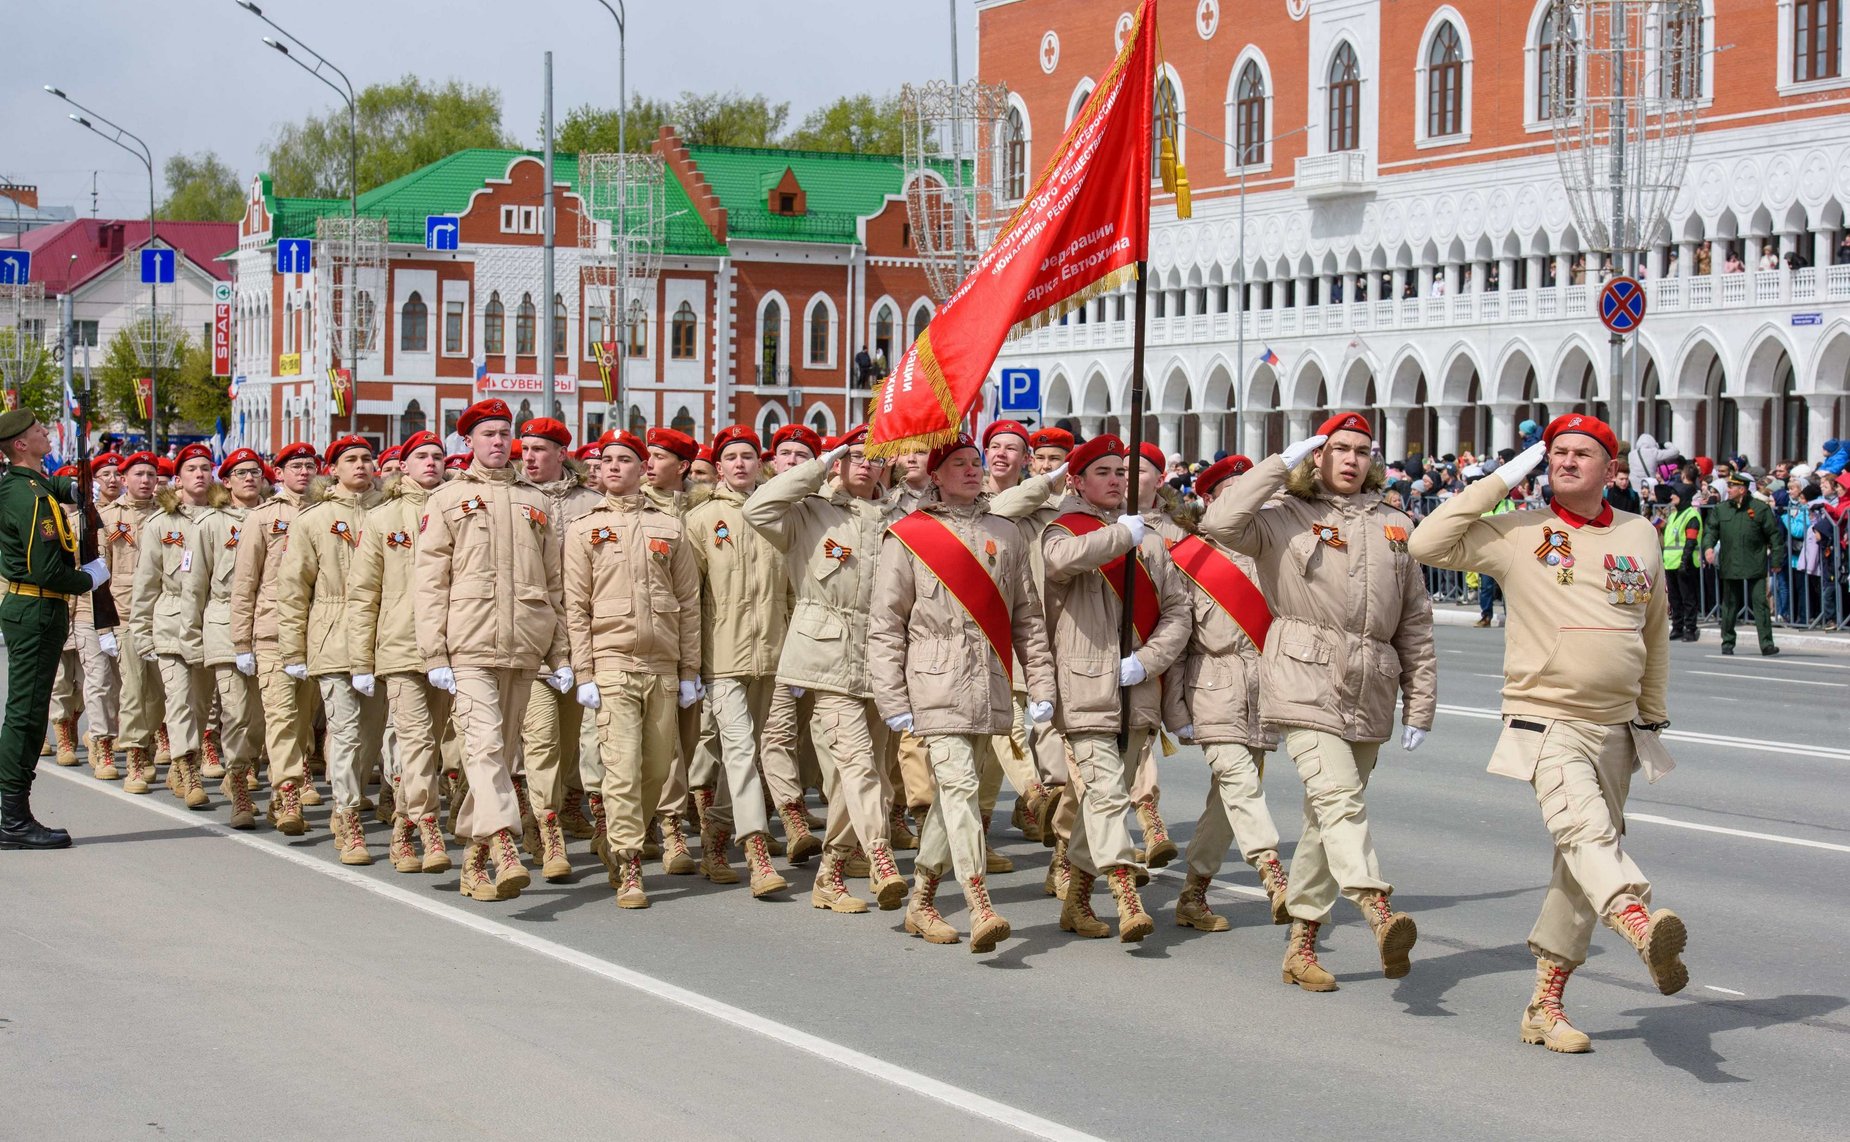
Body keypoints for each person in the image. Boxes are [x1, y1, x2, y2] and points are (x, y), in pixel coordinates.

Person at [1408, 415, 1685, 1053]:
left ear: (1611, 469)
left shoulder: (1638, 532)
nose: (1566, 461)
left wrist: (1650, 714)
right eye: (1556, 452)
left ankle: (1545, 1005)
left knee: (1578, 866)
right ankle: (1638, 919)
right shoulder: (1517, 531)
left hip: (1616, 725)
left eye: (1582, 453)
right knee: (1586, 834)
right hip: (1547, 719)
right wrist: (1502, 478)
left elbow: (1653, 630)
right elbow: (1426, 541)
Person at [1202, 412, 1437, 991]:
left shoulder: (1395, 524)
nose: (1352, 459)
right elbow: (1219, 521)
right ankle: (1376, 907)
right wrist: (1279, 464)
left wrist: (1420, 702)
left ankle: (1301, 945)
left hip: (1371, 684)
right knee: (1338, 799)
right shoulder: (1283, 515)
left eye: (1362, 450)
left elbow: (1415, 622)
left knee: (1322, 820)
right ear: (1317, 457)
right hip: (1303, 677)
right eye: (1339, 449)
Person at [869, 433, 1056, 952]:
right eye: (959, 463)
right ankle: (978, 903)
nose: (973, 470)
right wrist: (892, 699)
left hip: (989, 679)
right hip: (934, 680)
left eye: (976, 462)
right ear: (935, 474)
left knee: (960, 794)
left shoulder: (1006, 532)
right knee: (958, 789)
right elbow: (886, 625)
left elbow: (1027, 618)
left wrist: (1041, 682)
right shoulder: (908, 536)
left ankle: (922, 901)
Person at [743, 426, 908, 914]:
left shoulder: (900, 516)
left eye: (875, 457)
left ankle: (830, 874)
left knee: (869, 774)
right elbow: (757, 508)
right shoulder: (810, 511)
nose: (865, 464)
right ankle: (880, 856)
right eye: (854, 455)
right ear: (838, 461)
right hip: (826, 657)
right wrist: (819, 465)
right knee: (857, 765)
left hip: (882, 659)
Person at [416, 399, 572, 902]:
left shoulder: (535, 500)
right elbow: (430, 582)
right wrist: (434, 654)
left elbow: (554, 581)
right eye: (489, 434)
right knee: (483, 749)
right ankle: (505, 844)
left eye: (506, 433)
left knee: (499, 758)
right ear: (469, 442)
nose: (500, 442)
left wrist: (561, 654)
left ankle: (474, 864)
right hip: (468, 643)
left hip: (525, 642)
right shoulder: (446, 499)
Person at [1042, 434, 1191, 943]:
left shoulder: (1149, 539)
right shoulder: (1063, 529)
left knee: (1103, 802)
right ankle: (1127, 894)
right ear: (1076, 481)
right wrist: (1119, 537)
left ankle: (1077, 901)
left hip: (1138, 691)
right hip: (1084, 687)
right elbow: (1061, 561)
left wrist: (1148, 662)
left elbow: (1177, 612)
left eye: (1120, 472)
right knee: (1106, 794)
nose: (1114, 480)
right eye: (1102, 472)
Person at [564, 429, 702, 908]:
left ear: (643, 469)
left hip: (662, 666)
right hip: (612, 663)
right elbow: (575, 606)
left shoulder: (670, 527)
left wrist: (689, 670)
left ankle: (618, 840)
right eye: (607, 460)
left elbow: (688, 602)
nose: (613, 466)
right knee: (621, 769)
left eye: (625, 459)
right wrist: (584, 672)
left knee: (658, 769)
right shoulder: (583, 529)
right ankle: (628, 861)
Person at [1166, 455, 1290, 931]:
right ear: (1211, 500)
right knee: (1239, 781)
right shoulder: (1191, 558)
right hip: (1212, 685)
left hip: (1265, 690)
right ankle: (1272, 872)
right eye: (1233, 491)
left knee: (1228, 797)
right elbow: (1176, 641)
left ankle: (1193, 894)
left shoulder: (1273, 550)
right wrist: (1175, 711)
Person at [683, 425, 790, 896]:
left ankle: (713, 840)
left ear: (759, 464)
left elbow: (792, 590)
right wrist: (690, 664)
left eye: (748, 456)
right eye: (731, 457)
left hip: (772, 654)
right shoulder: (702, 519)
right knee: (741, 750)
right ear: (718, 467)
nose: (740, 464)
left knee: (745, 756)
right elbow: (688, 597)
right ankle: (757, 852)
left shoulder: (780, 514)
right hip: (721, 655)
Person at [0, 410, 110, 848]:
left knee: (27, 712)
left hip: (33, 609)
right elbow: (47, 570)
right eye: (37, 431)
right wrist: (88, 579)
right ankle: (13, 818)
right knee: (26, 716)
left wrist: (70, 486)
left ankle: (13, 813)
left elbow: (45, 488)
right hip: (38, 609)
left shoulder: (24, 486)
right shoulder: (31, 500)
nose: (45, 432)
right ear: (20, 445)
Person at [277, 435, 388, 863]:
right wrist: (293, 651)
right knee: (345, 729)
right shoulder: (314, 519)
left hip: (384, 636)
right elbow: (293, 589)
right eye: (350, 459)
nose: (360, 465)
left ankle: (356, 795)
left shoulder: (390, 511)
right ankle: (347, 812)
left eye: (366, 458)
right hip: (333, 633)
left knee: (373, 734)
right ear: (333, 469)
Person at [347, 430, 453, 874]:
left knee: (440, 746)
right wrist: (361, 661)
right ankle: (428, 826)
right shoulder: (382, 518)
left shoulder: (457, 508)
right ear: (404, 465)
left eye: (437, 456)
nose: (431, 462)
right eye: (421, 456)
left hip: (451, 645)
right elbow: (363, 593)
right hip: (401, 644)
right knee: (416, 743)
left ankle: (401, 831)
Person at [515, 417, 605, 881]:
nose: (528, 457)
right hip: (531, 636)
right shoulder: (513, 497)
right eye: (525, 448)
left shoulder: (591, 503)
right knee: (542, 739)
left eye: (539, 449)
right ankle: (546, 830)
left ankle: (552, 810)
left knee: (569, 743)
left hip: (582, 638)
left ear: (560, 453)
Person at [230, 442, 321, 830]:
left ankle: (288, 782)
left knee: (302, 720)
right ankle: (287, 793)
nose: (304, 472)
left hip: (316, 632)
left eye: (309, 466)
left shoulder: (325, 512)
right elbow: (245, 581)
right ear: (279, 473)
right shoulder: (263, 517)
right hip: (272, 631)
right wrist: (241, 641)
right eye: (295, 466)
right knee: (281, 716)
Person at [130, 442, 222, 813]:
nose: (200, 474)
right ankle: (188, 768)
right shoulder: (160, 523)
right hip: (171, 621)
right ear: (178, 478)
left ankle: (185, 759)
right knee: (179, 698)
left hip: (210, 621)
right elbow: (145, 583)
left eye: (205, 468)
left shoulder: (224, 518)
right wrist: (141, 632)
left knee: (201, 704)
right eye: (191, 469)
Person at [98, 451, 167, 794]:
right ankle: (136, 755)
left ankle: (152, 743)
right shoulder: (108, 517)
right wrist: (103, 627)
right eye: (138, 474)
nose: (145, 480)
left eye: (150, 475)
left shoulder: (168, 514)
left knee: (162, 692)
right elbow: (98, 575)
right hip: (125, 614)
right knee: (134, 688)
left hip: (165, 614)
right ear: (124, 479)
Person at [1704, 473, 1782, 656]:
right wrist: (1708, 548)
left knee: (1760, 604)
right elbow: (1711, 530)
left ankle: (1767, 644)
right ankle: (1727, 642)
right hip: (1730, 562)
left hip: (1755, 562)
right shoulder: (1721, 509)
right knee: (1729, 604)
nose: (1728, 489)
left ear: (1742, 489)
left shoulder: (1760, 509)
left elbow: (1774, 536)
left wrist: (1777, 560)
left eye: (1732, 486)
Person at [1661, 483, 1704, 641]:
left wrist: (1684, 561)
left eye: (1675, 494)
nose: (1671, 496)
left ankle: (1690, 629)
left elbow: (1691, 541)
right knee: (1674, 598)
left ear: (1683, 496)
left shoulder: (1691, 515)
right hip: (1670, 563)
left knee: (1688, 598)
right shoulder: (1673, 515)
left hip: (1685, 562)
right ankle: (1677, 627)